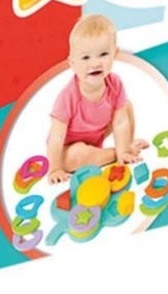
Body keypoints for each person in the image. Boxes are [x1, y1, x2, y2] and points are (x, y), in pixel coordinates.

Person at [46, 14, 147, 184]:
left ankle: (124, 150)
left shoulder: (114, 83)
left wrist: (123, 151)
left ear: (115, 54)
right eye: (86, 57)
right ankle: (116, 153)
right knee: (74, 156)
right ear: (72, 63)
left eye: (103, 54)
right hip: (68, 147)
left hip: (97, 134)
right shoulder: (68, 96)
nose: (95, 63)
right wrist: (55, 168)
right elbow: (56, 136)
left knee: (125, 106)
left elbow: (120, 122)